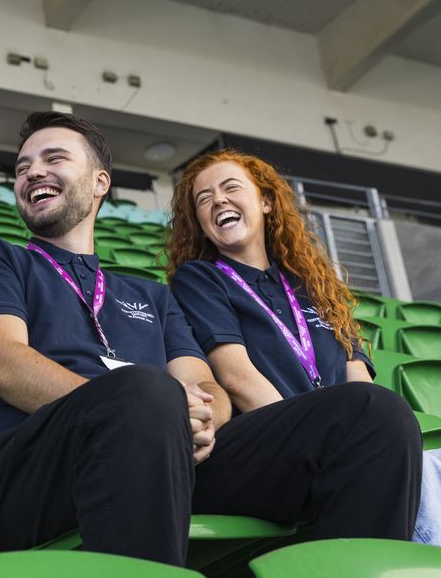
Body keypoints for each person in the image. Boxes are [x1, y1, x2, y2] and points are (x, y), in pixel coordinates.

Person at [0, 112, 422, 566]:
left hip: (164, 453)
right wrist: (143, 406)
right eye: (23, 167)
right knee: (145, 391)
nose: (32, 173)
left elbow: (208, 386)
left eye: (53, 159)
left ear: (99, 183)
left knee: (372, 415)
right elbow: (4, 364)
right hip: (32, 476)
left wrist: (202, 416)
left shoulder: (150, 295)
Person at [167, 148, 439, 545]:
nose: (218, 200)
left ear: (266, 201)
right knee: (374, 415)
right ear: (201, 224)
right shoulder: (201, 278)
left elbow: (358, 379)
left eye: (230, 188)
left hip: (342, 433)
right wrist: (314, 436)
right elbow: (237, 377)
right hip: (269, 443)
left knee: (389, 420)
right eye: (204, 199)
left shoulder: (312, 284)